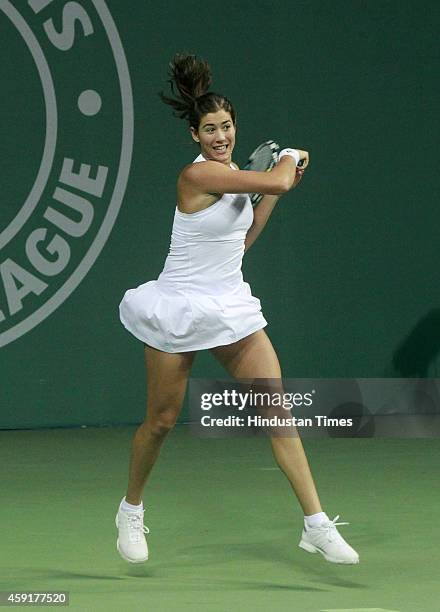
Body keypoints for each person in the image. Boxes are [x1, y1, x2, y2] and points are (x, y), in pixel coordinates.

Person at [115, 53, 359, 566]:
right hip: (180, 306)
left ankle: (315, 523)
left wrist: (277, 183)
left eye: (226, 126)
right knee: (160, 421)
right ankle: (130, 510)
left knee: (278, 411)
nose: (220, 136)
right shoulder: (197, 175)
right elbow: (277, 181)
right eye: (210, 129)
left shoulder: (231, 177)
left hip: (229, 305)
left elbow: (242, 239)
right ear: (194, 136)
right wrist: (288, 158)